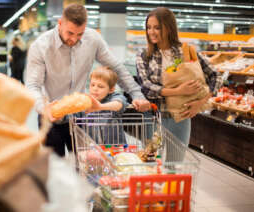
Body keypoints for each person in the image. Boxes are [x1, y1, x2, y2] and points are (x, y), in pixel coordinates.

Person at [25, 4, 151, 157]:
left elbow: (117, 68)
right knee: (54, 168)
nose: (74, 39)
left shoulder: (92, 39)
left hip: (80, 117)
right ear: (60, 23)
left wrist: (137, 95)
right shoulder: (41, 46)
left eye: (80, 34)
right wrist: (43, 107)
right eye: (70, 33)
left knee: (86, 167)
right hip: (51, 115)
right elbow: (33, 85)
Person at [136, 7, 222, 155]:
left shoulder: (186, 51)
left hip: (180, 117)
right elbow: (146, 87)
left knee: (174, 167)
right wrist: (178, 91)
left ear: (169, 28)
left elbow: (216, 76)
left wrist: (200, 103)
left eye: (157, 27)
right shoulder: (144, 55)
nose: (151, 32)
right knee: (149, 162)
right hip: (152, 117)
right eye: (149, 27)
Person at [77, 66, 128, 144]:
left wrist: (100, 107)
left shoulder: (114, 97)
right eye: (92, 85)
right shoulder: (85, 102)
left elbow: (119, 103)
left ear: (111, 89)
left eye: (100, 86)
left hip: (115, 148)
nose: (95, 89)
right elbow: (72, 114)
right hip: (93, 149)